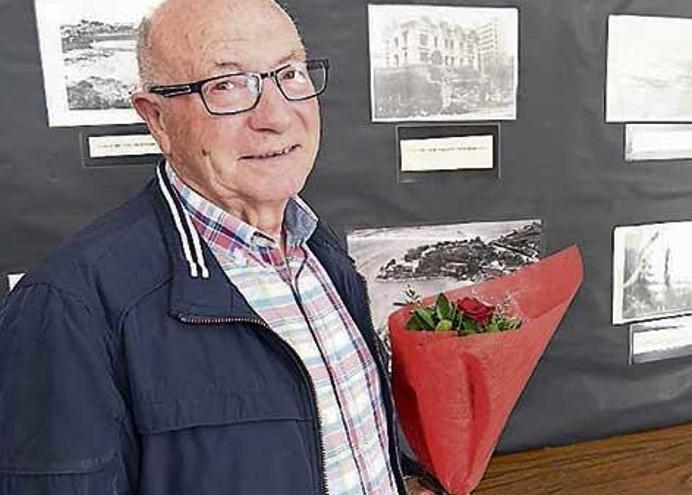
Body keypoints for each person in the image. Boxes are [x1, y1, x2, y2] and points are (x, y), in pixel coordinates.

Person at [0, 0, 437, 493]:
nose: (276, 116)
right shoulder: (68, 307)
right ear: (157, 120)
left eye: (289, 73)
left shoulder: (319, 250)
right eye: (226, 85)